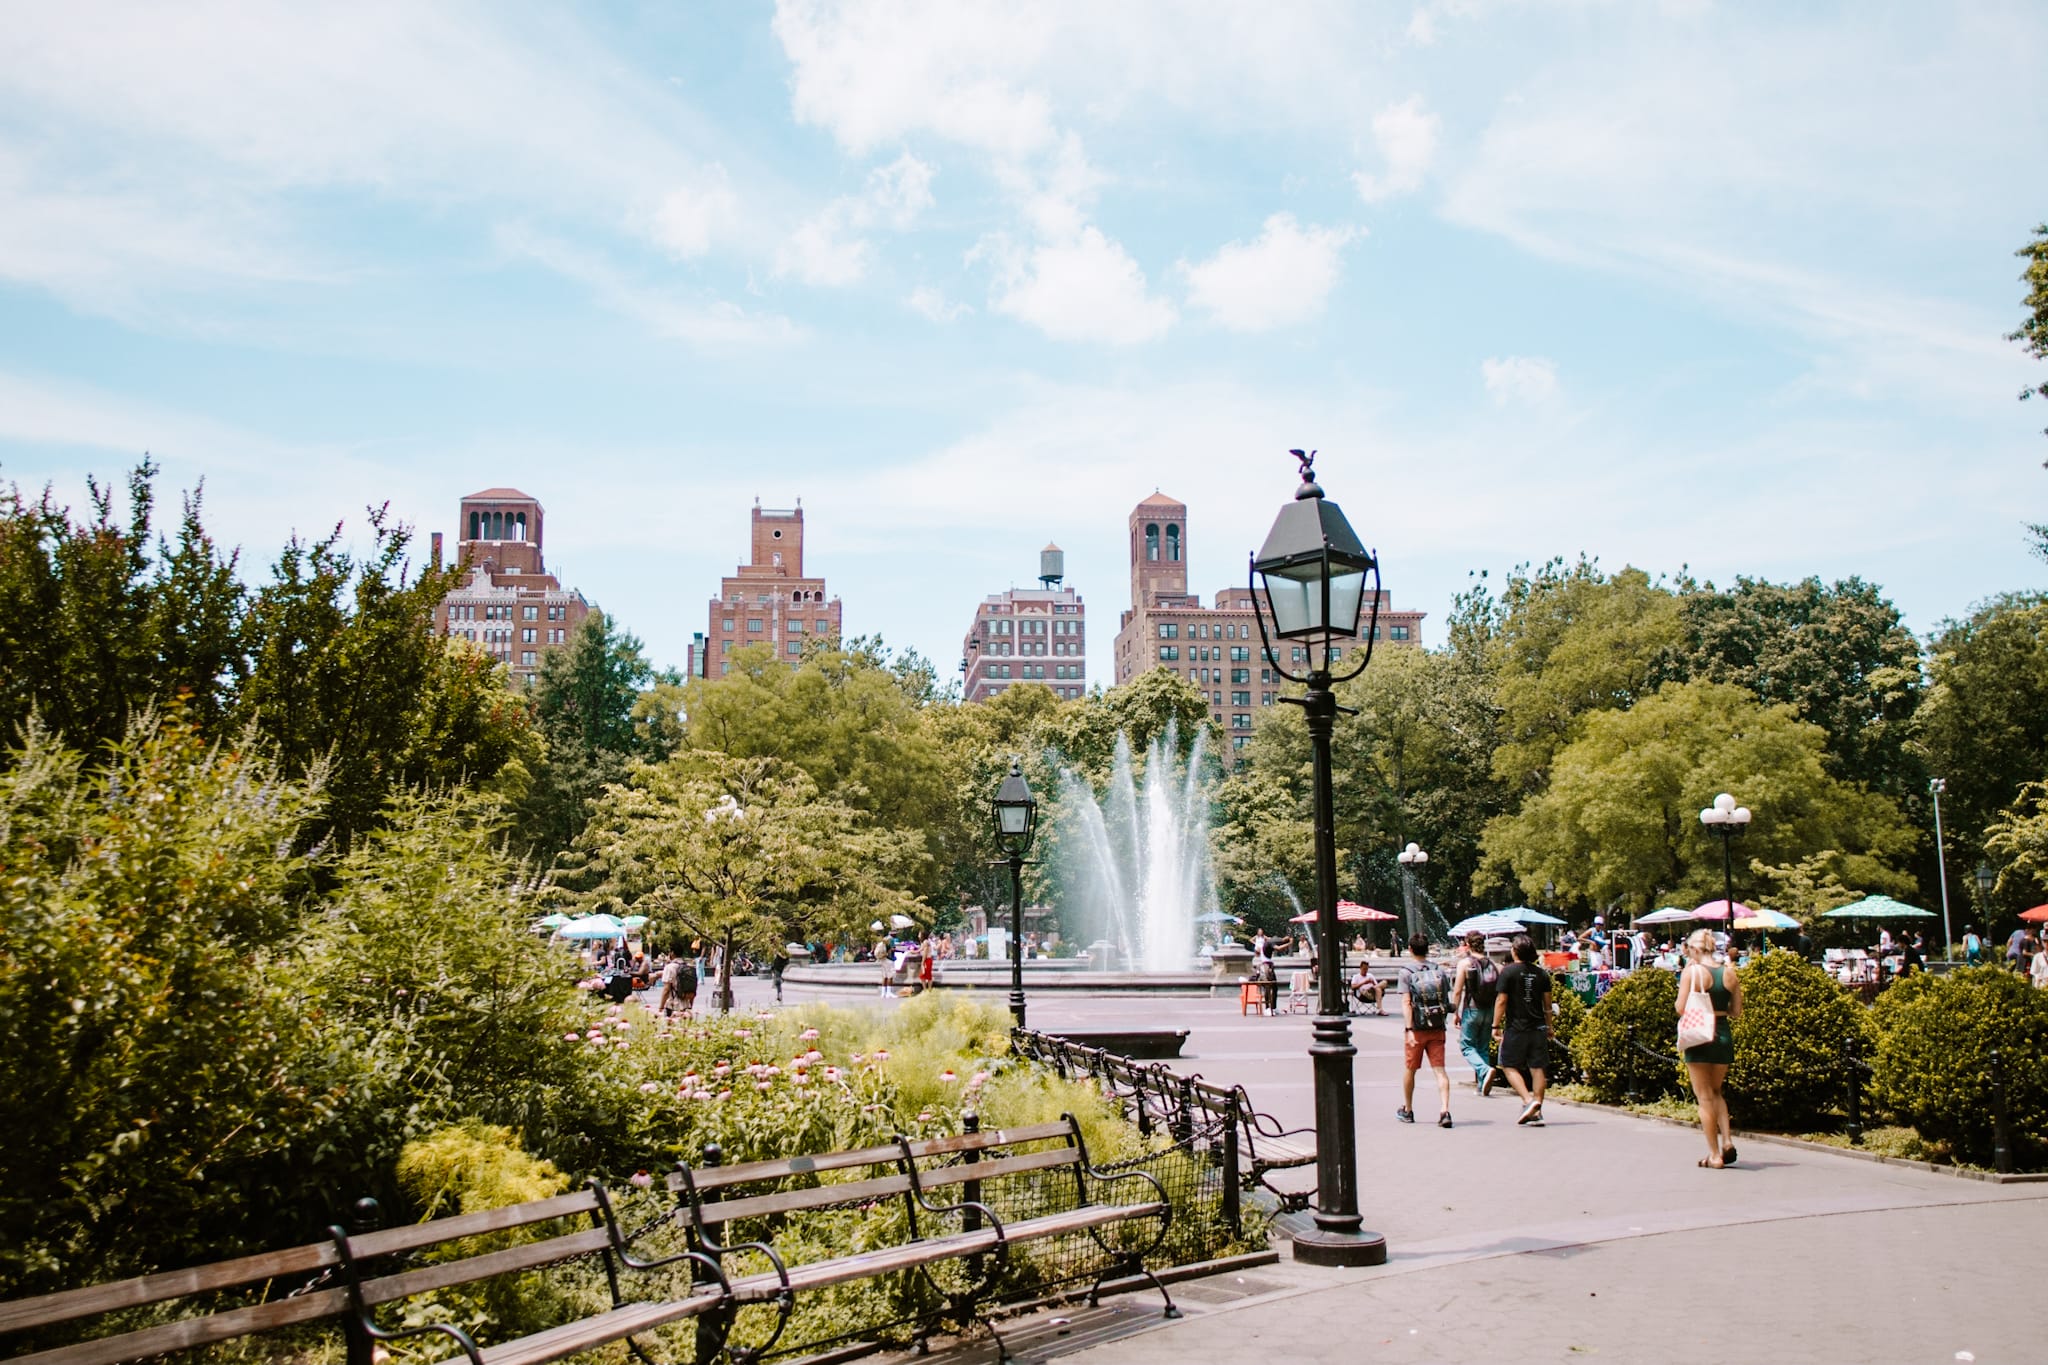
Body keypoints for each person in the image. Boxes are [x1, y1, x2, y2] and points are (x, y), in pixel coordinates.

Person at [1676, 927, 1742, 1169]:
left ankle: (1714, 1154)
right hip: (1723, 1033)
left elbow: (1680, 1007)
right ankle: (1727, 1140)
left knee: (1703, 1097)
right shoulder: (1729, 973)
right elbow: (1736, 1011)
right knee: (1716, 1092)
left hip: (1700, 1035)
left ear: (1694, 949)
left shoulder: (1692, 972)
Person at [1490, 934, 1553, 1125]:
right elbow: (1548, 1005)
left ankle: (1528, 1101)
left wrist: (1495, 1025)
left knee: (1508, 1065)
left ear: (1515, 951)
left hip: (1516, 1027)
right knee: (1538, 1067)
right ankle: (1537, 1109)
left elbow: (1501, 1001)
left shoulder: (1508, 972)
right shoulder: (1542, 974)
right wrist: (1549, 1026)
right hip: (1538, 1026)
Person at [1397, 933, 1454, 1128]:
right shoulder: (1438, 970)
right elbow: (1445, 999)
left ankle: (1408, 1109)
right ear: (1427, 949)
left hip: (1417, 1029)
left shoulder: (1405, 972)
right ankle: (1445, 1110)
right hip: (1437, 1027)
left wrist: (1409, 1029)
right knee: (1440, 1071)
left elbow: (1406, 1003)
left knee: (1410, 1070)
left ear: (1410, 949)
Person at [1450, 930, 1499, 1095]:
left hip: (1472, 1010)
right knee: (1483, 1047)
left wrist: (1454, 1012)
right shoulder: (1493, 964)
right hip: (1489, 1010)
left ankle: (1484, 1070)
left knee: (1466, 1046)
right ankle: (1482, 1086)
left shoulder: (1465, 964)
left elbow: (1457, 991)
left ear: (1468, 945)